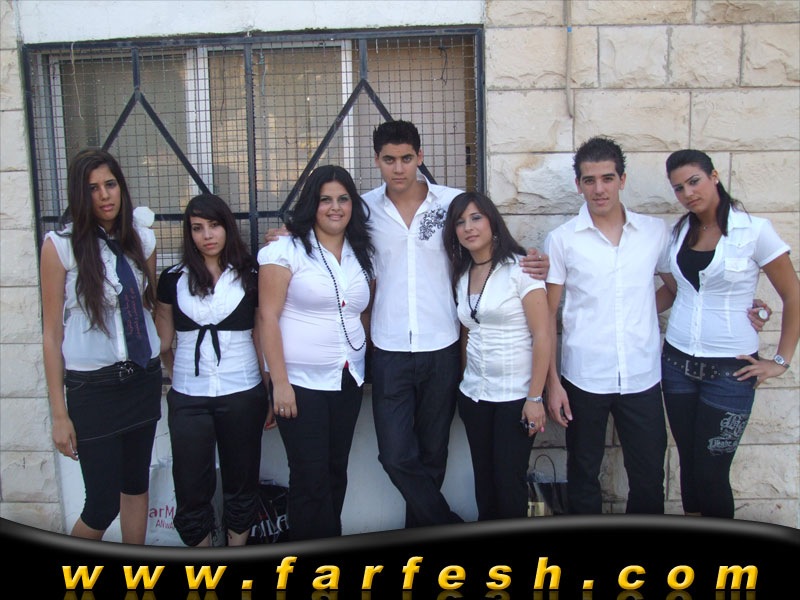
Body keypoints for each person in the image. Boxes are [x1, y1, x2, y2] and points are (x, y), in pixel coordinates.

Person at [265, 119, 548, 527]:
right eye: (389, 159)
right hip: (389, 349)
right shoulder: (361, 209)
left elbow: (487, 241)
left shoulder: (451, 205)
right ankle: (446, 524)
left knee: (433, 455)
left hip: (443, 346)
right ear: (376, 160)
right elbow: (325, 228)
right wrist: (287, 234)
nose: (398, 168)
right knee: (395, 455)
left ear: (420, 157)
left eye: (406, 158)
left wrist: (532, 260)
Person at [658, 149, 799, 519]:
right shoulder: (680, 233)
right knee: (689, 464)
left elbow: (793, 295)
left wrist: (780, 361)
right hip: (676, 364)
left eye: (694, 181)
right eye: (679, 188)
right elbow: (677, 291)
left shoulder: (754, 231)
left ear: (714, 176)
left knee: (712, 472)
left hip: (730, 372)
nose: (688, 193)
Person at [544, 137, 672, 515]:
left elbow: (676, 288)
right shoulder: (562, 240)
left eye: (607, 178)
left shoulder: (654, 232)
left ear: (622, 180)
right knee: (583, 473)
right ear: (578, 184)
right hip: (584, 377)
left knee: (649, 476)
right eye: (589, 180)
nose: (599, 189)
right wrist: (552, 384)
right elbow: (546, 317)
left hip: (642, 376)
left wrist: (639, 311)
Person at [40, 149, 162, 543]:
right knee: (101, 504)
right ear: (80, 195)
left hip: (141, 378)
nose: (104, 195)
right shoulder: (60, 247)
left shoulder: (141, 239)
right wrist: (59, 415)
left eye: (110, 184)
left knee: (136, 485)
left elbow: (150, 306)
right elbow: (51, 334)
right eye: (92, 188)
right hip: (92, 390)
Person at [258, 165, 374, 540]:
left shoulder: (361, 253)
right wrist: (279, 384)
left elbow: (362, 311)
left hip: (347, 379)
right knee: (310, 478)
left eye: (343, 199)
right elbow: (267, 317)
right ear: (312, 204)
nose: (335, 207)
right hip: (299, 384)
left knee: (334, 472)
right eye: (326, 199)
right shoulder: (285, 249)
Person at [155, 193, 269, 546]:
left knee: (242, 480)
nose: (207, 235)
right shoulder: (172, 279)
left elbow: (261, 334)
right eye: (197, 228)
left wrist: (268, 390)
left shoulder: (252, 275)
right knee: (190, 484)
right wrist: (177, 377)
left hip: (243, 391)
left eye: (215, 225)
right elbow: (163, 341)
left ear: (227, 227)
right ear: (189, 233)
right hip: (188, 396)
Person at [443, 192, 550, 520]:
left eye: (476, 218)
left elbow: (543, 335)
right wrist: (464, 381)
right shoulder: (462, 274)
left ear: (492, 222)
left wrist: (535, 397)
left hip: (515, 397)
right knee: (485, 485)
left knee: (508, 485)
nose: (468, 227)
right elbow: (468, 331)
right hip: (475, 396)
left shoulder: (521, 268)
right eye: (460, 222)